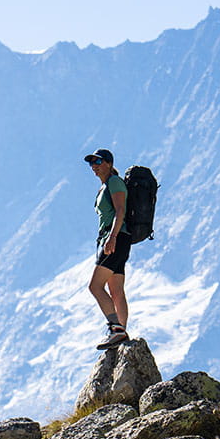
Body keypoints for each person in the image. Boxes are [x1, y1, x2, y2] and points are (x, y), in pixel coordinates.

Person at [83, 149, 130, 349]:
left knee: (95, 286)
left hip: (115, 239)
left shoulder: (114, 182)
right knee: (116, 290)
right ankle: (121, 333)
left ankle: (116, 328)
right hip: (117, 239)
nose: (94, 166)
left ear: (109, 163)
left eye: (99, 161)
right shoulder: (104, 187)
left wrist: (112, 237)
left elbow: (121, 210)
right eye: (91, 163)